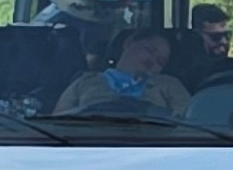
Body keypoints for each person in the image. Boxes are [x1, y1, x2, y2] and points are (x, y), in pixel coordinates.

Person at [55, 23, 189, 122]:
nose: (152, 61)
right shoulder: (85, 82)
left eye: (160, 61)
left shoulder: (170, 84)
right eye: (150, 50)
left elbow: (187, 124)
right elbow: (57, 123)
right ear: (129, 43)